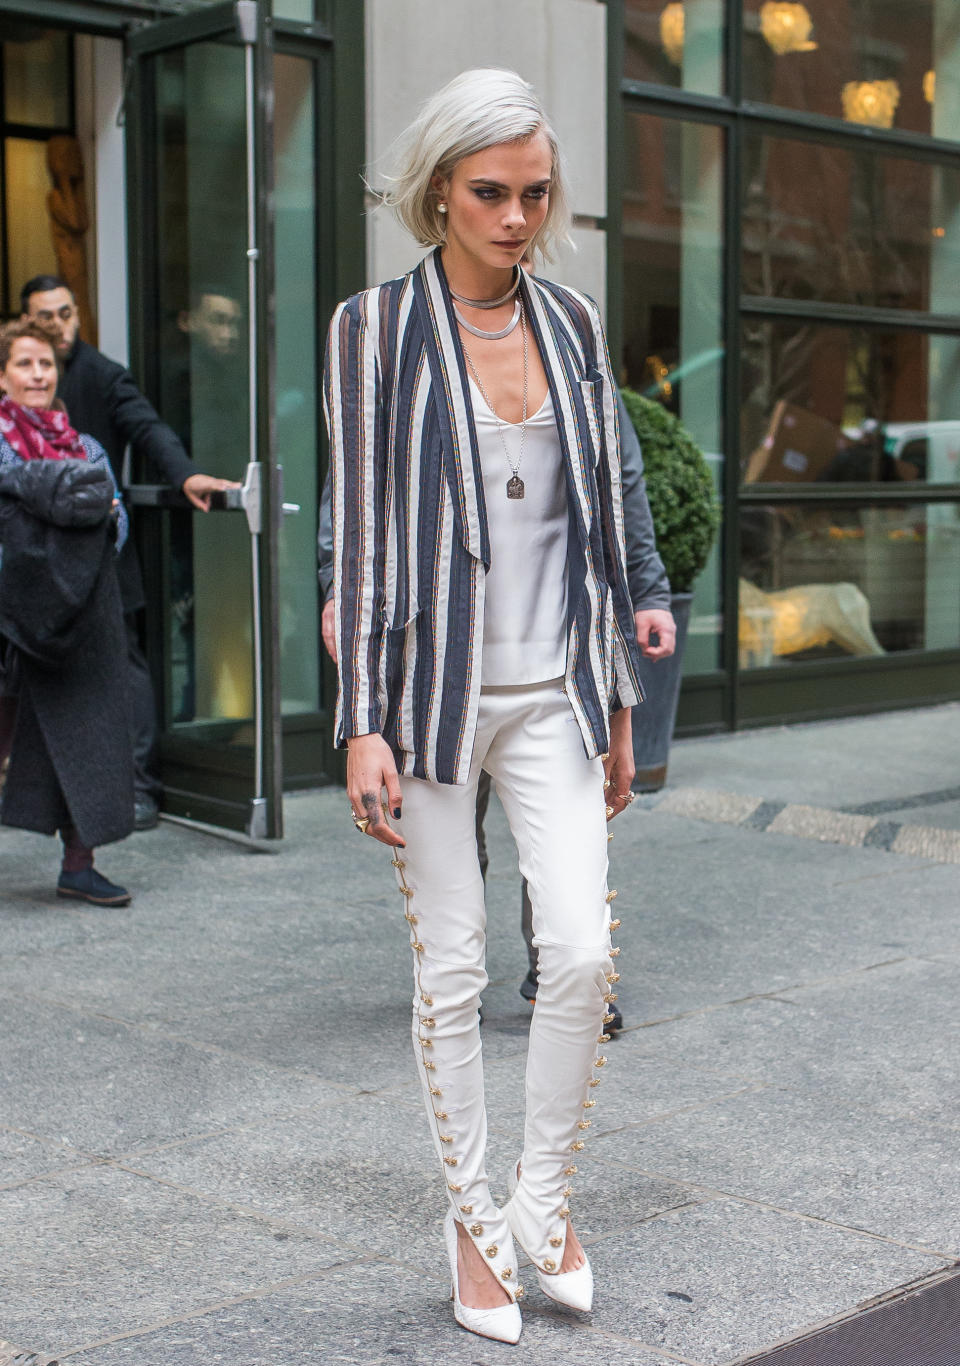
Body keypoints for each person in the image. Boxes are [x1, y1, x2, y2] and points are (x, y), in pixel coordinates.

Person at [324, 69, 645, 1343]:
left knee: (577, 953)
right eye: (491, 192)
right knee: (453, 966)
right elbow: (353, 536)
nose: (518, 216)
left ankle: (542, 1200)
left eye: (536, 192)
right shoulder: (374, 329)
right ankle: (470, 1218)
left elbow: (607, 520)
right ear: (440, 190)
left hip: (559, 687)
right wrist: (358, 719)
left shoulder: (570, 322)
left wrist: (621, 698)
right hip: (432, 696)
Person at [318, 328, 676, 1034]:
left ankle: (561, 978)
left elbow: (618, 484)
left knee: (561, 836)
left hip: (554, 646)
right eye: (494, 205)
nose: (513, 222)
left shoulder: (574, 346)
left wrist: (650, 592)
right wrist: (339, 585)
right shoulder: (405, 338)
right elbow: (356, 485)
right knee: (456, 828)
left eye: (530, 206)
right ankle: (456, 975)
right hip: (438, 648)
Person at [20, 275, 238, 830]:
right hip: (35, 565)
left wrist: (185, 475)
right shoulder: (15, 397)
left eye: (66, 313)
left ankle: (140, 787)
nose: (58, 326)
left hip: (100, 556)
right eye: (45, 317)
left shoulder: (102, 375)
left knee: (125, 667)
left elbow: (148, 428)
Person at [0, 320, 133, 905]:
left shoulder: (87, 446)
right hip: (7, 621)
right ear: (3, 375)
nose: (38, 374)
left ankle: (79, 864)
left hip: (77, 620)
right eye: (25, 364)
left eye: (46, 365)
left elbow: (117, 522)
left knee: (86, 738)